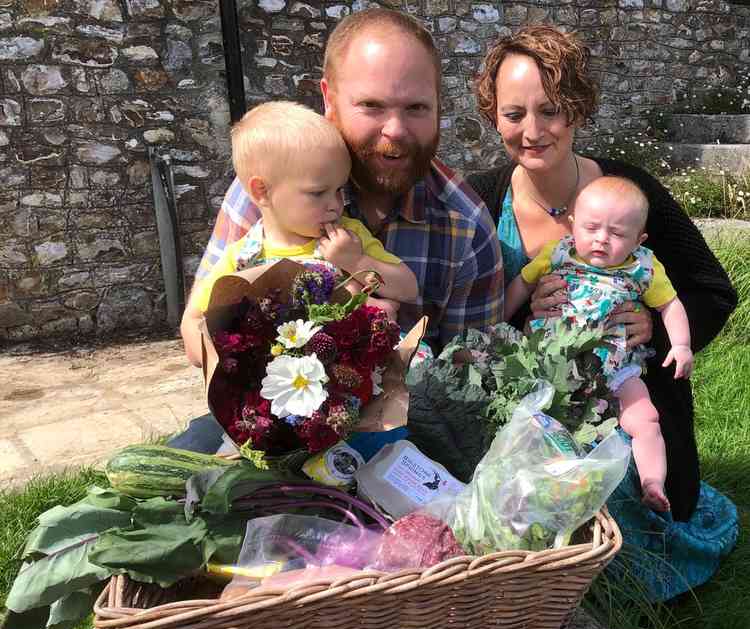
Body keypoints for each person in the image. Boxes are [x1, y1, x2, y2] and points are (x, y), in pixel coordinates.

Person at [170, 8, 504, 454]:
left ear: (439, 107)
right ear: (328, 99)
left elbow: (470, 372)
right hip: (275, 419)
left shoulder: (466, 226)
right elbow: (200, 329)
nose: (396, 130)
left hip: (403, 433)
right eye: (371, 105)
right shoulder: (272, 188)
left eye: (416, 107)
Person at [466, 25, 737, 523]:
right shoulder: (477, 199)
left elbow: (712, 290)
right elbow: (464, 316)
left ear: (577, 108)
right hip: (532, 403)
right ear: (492, 116)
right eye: (514, 113)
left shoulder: (630, 190)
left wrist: (652, 327)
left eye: (550, 110)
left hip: (629, 392)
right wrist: (524, 316)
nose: (531, 130)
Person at [505, 176, 695, 512]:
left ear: (640, 240)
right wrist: (496, 321)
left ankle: (653, 483)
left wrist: (680, 345)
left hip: (616, 368)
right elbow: (521, 285)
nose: (601, 240)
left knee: (646, 419)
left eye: (618, 234)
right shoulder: (557, 252)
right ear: (573, 225)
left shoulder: (644, 268)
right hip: (555, 364)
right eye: (591, 228)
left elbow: (671, 304)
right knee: (533, 421)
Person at [180, 100, 418, 368]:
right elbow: (193, 319)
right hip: (285, 388)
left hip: (357, 376)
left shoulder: (346, 237)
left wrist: (357, 262)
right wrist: (222, 364)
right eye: (318, 193)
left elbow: (409, 289)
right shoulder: (243, 258)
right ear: (262, 191)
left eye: (339, 189)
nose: (336, 204)